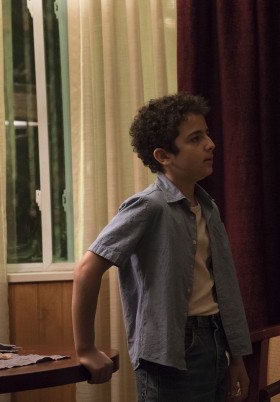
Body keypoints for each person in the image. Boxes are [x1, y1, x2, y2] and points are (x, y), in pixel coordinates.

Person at [72, 93, 251, 402]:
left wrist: (236, 358)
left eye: (207, 134)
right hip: (171, 352)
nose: (210, 144)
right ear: (164, 156)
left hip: (214, 342)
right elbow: (87, 269)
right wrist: (86, 348)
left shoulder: (208, 207)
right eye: (196, 138)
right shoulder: (148, 206)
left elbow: (224, 288)